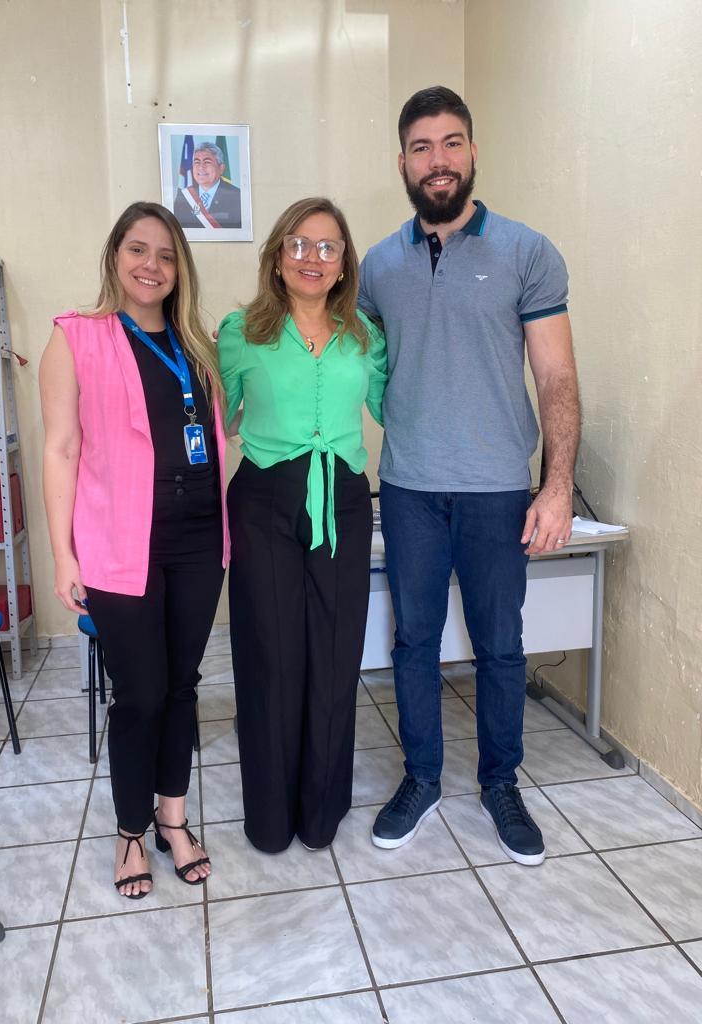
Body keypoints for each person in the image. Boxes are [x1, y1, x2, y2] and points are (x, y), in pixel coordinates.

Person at [359, 87, 580, 866]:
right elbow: (360, 363)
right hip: (411, 486)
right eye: (422, 147)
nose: (438, 160)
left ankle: (500, 784)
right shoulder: (377, 267)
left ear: (473, 152)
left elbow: (555, 379)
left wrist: (556, 487)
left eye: (452, 143)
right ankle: (420, 779)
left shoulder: (526, 251)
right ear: (403, 162)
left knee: (500, 646)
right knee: (413, 641)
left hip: (496, 489)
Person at [40, 201, 230, 898]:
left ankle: (173, 820)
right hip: (121, 542)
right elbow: (60, 450)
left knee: (182, 684)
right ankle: (129, 832)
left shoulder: (197, 344)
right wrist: (64, 554)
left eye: (166, 254)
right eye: (138, 250)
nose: (152, 266)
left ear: (181, 268)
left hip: (200, 537)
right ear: (115, 257)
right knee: (140, 692)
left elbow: (218, 432)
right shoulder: (77, 337)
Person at [217, 197, 387, 853]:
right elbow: (214, 415)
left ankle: (321, 812)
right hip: (263, 496)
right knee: (270, 655)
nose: (312, 257)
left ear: (345, 264)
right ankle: (269, 817)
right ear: (277, 256)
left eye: (327, 247)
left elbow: (397, 407)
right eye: (298, 244)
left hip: (342, 496)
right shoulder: (240, 331)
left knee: (335, 652)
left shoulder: (366, 338)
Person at [174, 142, 242, 230]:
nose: (201, 167)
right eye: (197, 162)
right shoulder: (183, 196)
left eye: (207, 162)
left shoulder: (237, 196)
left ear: (221, 168)